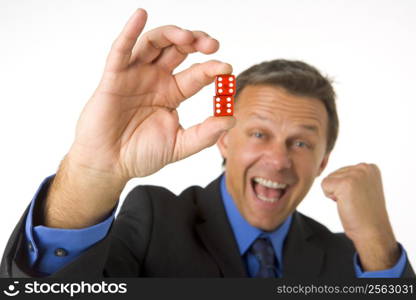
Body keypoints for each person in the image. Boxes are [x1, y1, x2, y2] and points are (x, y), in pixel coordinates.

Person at [0, 9, 414, 278]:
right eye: (258, 134)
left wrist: (378, 243)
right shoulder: (153, 219)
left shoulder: (352, 258)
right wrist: (93, 173)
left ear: (323, 162)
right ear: (224, 140)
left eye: (301, 144)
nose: (278, 159)